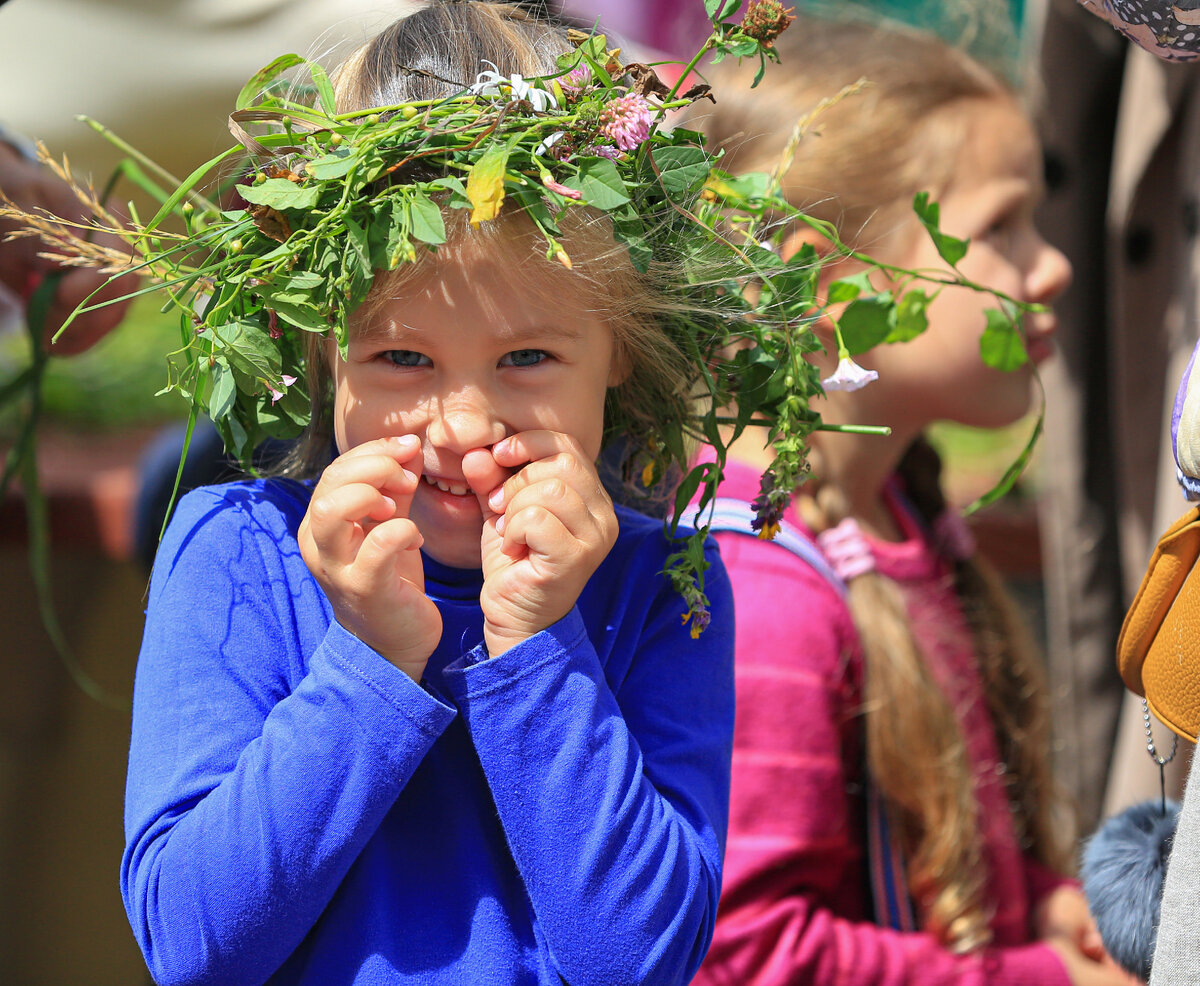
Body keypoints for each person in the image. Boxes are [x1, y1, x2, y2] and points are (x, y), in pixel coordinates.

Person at [111, 3, 742, 984]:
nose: (461, 422)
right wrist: (365, 658)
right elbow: (192, 944)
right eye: (402, 357)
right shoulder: (236, 549)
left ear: (618, 347)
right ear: (325, 345)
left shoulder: (664, 583)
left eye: (527, 356)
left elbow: (638, 958)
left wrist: (537, 642)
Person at [686, 17, 1136, 985]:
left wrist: (1039, 900)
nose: (1051, 266)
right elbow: (745, 949)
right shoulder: (758, 596)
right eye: (1001, 228)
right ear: (818, 278)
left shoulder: (900, 510)